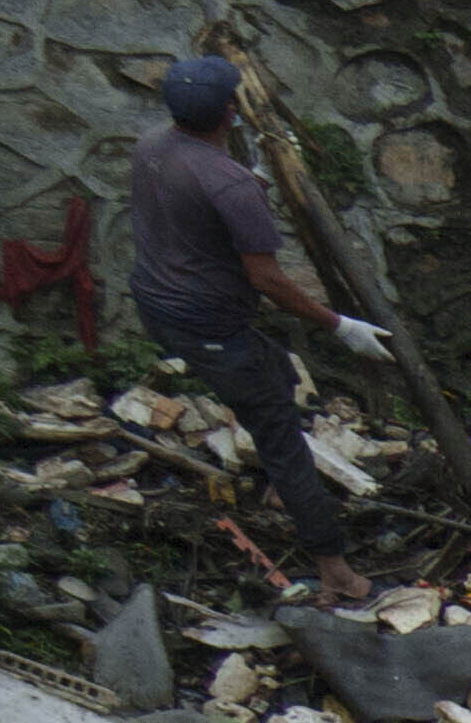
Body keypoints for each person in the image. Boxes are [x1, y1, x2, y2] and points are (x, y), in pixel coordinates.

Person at [123, 57, 370, 576]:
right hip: (209, 326)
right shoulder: (229, 185)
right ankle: (334, 567)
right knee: (282, 438)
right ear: (230, 113)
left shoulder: (150, 146)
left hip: (155, 303)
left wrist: (256, 174)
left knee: (277, 368)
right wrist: (339, 326)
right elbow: (268, 280)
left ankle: (286, 493)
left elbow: (204, 202)